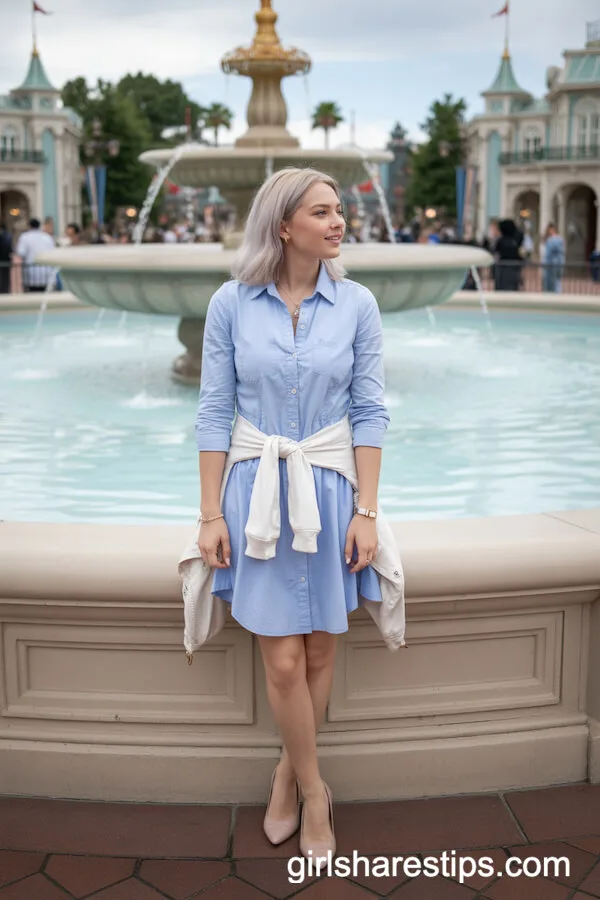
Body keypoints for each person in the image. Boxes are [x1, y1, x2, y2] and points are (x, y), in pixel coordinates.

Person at [193, 167, 404, 862]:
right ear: (284, 226)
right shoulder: (231, 303)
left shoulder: (358, 304)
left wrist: (367, 512)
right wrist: (208, 514)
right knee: (282, 660)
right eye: (323, 212)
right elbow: (214, 411)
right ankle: (317, 791)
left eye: (340, 210)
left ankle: (287, 772)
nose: (340, 221)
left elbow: (370, 411)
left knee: (317, 647)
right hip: (255, 493)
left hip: (331, 487)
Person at [14, 217, 56, 292]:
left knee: (33, 295)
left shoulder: (25, 237)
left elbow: (21, 253)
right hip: (47, 272)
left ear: (29, 226)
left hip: (31, 273)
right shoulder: (47, 237)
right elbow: (53, 252)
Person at [493, 219, 524, 291]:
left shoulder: (501, 241)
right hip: (513, 268)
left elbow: (495, 251)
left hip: (503, 268)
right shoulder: (515, 241)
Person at [542, 223, 566, 293]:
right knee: (557, 281)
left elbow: (548, 254)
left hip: (551, 264)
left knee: (551, 282)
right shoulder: (560, 239)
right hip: (559, 264)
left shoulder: (552, 240)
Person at [0, 223, 12, 293]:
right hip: (6, 261)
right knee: (5, 279)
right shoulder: (8, 236)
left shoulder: (5, 236)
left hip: (4, 260)